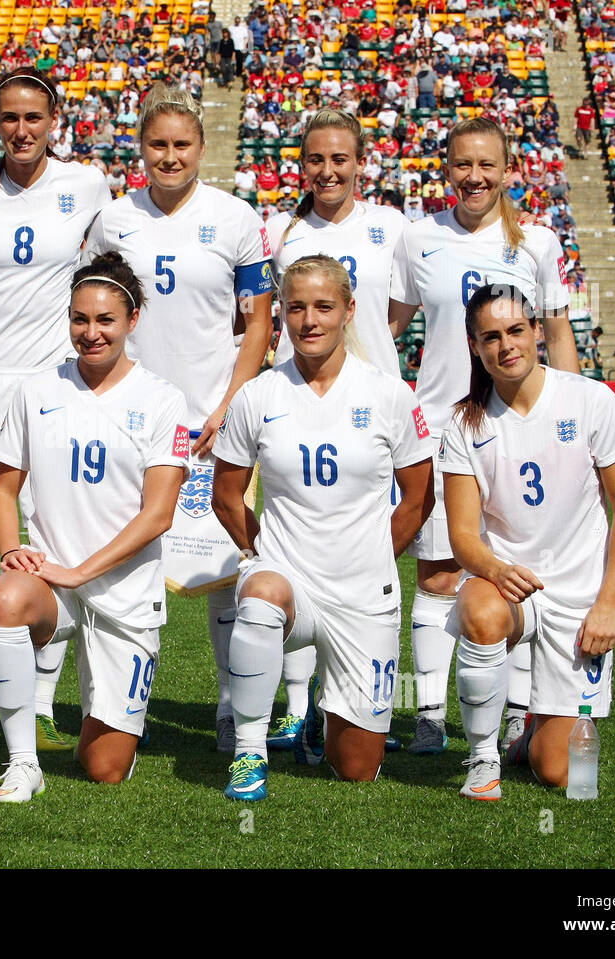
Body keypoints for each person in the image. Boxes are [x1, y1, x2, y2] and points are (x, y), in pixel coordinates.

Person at [85, 83, 273, 752]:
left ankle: (232, 707)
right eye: (158, 144)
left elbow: (257, 324)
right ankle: (116, 708)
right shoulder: (113, 219)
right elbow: (95, 311)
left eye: (182, 144)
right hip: (135, 418)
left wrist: (229, 405)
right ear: (141, 147)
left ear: (202, 148)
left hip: (212, 419)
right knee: (128, 566)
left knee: (227, 569)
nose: (169, 156)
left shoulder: (236, 219)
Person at [211, 255, 434, 799]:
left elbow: (419, 495)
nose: (309, 320)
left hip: (364, 592)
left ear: (349, 310)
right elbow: (226, 494)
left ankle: (318, 718)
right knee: (261, 595)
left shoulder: (389, 394)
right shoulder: (258, 395)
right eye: (296, 307)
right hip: (290, 584)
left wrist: (380, 554)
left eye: (323, 307)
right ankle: (249, 752)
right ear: (282, 314)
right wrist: (265, 554)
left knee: (356, 767)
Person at [388, 116, 577, 758]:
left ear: (506, 170)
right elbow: (390, 329)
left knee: (523, 571)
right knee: (440, 576)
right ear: (446, 168)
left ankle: (521, 713)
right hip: (443, 429)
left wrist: (570, 416)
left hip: (520, 431)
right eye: (462, 165)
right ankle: (430, 716)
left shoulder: (539, 244)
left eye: (486, 165)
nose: (474, 177)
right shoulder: (418, 239)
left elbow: (557, 334)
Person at [0, 66, 112, 755]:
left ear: (53, 121)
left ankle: (38, 702)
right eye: (8, 117)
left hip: (54, 385)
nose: (20, 130)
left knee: (50, 544)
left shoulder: (87, 185)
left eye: (33, 118)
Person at [0, 253, 190, 801]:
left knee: (105, 768)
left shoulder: (163, 399)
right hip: (51, 581)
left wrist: (82, 571)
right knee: (6, 599)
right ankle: (23, 761)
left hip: (122, 589)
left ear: (133, 319)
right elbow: (3, 488)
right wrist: (11, 550)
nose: (90, 333)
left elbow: (159, 513)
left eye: (105, 320)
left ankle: (105, 726)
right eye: (80, 319)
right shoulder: (36, 390)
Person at [438, 285, 615, 799]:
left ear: (535, 332)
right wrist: (493, 567)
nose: (505, 345)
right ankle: (483, 760)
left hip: (579, 600)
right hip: (511, 590)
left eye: (515, 331)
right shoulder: (465, 422)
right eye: (490, 337)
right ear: (475, 346)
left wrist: (609, 604)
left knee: (563, 773)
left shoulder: (592, 399)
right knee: (481, 608)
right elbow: (462, 536)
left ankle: (527, 735)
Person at [261, 109, 409, 752]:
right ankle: (298, 708)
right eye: (315, 159)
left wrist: (363, 372)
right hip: (300, 406)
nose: (327, 170)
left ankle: (355, 704)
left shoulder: (392, 228)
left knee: (365, 553)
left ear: (359, 162)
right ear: (303, 164)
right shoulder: (281, 230)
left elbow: (393, 313)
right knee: (298, 550)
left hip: (372, 416)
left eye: (339, 158)